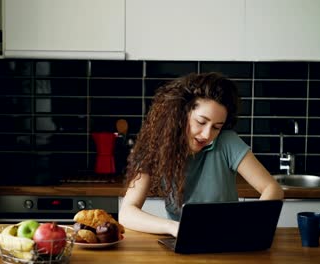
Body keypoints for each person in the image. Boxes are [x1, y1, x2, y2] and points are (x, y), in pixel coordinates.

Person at [118, 72, 284, 237]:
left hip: (228, 241)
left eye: (216, 127)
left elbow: (272, 188)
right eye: (201, 122)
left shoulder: (227, 142)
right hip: (183, 240)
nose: (206, 135)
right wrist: (175, 228)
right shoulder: (155, 150)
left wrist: (252, 226)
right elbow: (126, 213)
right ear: (182, 114)